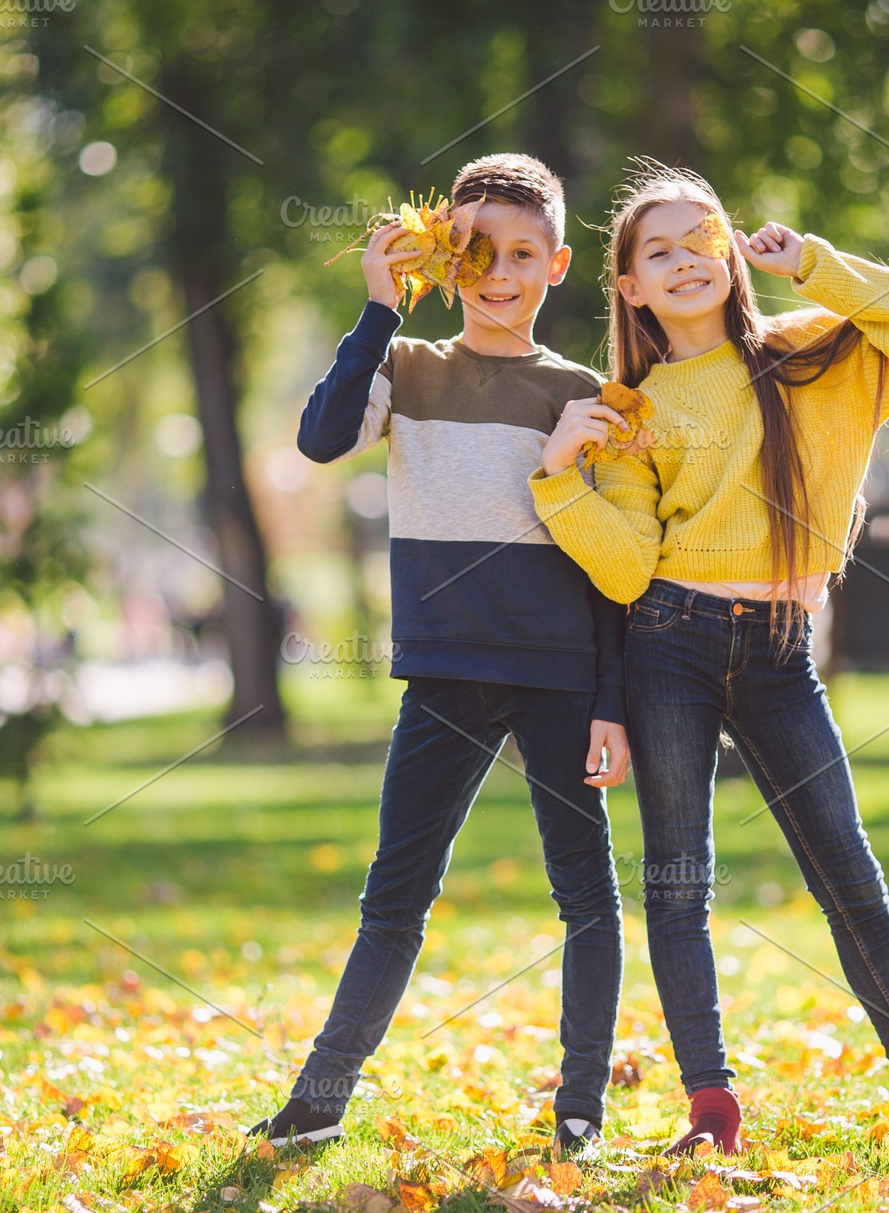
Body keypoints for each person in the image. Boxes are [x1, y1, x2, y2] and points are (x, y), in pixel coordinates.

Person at [527, 163, 889, 1154]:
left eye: (697, 237)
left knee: (847, 873)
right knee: (676, 881)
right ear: (629, 288)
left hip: (783, 651)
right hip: (671, 641)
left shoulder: (810, 354)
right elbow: (623, 572)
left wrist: (813, 264)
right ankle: (711, 1110)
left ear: (728, 250)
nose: (680, 259)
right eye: (654, 250)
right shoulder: (629, 410)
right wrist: (558, 478)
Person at [250, 154, 627, 1158]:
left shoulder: (582, 393)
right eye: (474, 253)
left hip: (558, 674)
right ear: (444, 261)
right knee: (395, 893)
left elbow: (612, 561)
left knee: (587, 895)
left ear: (556, 264)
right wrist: (376, 309)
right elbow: (323, 439)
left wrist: (611, 700)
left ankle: (580, 1104)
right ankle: (320, 1095)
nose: (496, 273)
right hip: (443, 671)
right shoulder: (407, 369)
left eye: (519, 254)